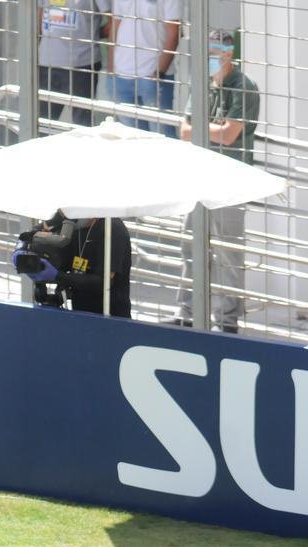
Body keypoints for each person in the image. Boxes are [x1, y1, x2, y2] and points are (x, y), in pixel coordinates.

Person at [170, 29, 260, 334]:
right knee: (190, 247)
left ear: (228, 53)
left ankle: (226, 322)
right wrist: (214, 129)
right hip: (199, 177)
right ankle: (187, 313)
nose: (210, 58)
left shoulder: (243, 86)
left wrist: (204, 129)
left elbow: (229, 135)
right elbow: (183, 131)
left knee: (227, 253)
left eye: (215, 52)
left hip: (230, 181)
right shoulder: (203, 84)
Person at [108, 0, 180, 137]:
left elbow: (174, 33)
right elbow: (115, 25)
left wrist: (159, 73)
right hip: (121, 76)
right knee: (130, 139)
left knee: (162, 139)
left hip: (152, 76)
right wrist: (111, 71)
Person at [43, 212, 133, 318]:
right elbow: (67, 264)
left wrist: (58, 276)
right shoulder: (76, 230)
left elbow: (104, 281)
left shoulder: (112, 229)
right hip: (80, 310)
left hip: (111, 313)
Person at [39, 0, 109, 127]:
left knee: (82, 126)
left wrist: (92, 35)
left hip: (82, 65)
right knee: (42, 123)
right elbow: (40, 12)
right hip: (47, 63)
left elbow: (114, 21)